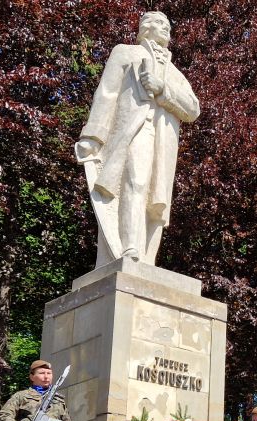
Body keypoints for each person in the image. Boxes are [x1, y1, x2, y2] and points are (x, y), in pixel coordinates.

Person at [74, 10, 200, 266]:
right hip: (134, 129)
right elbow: (107, 94)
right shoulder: (125, 53)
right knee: (136, 181)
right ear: (145, 27)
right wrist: (92, 137)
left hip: (163, 139)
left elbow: (193, 109)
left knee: (158, 201)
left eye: (168, 25)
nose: (166, 28)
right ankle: (129, 247)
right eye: (160, 23)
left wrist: (162, 89)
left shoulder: (175, 73)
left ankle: (147, 260)